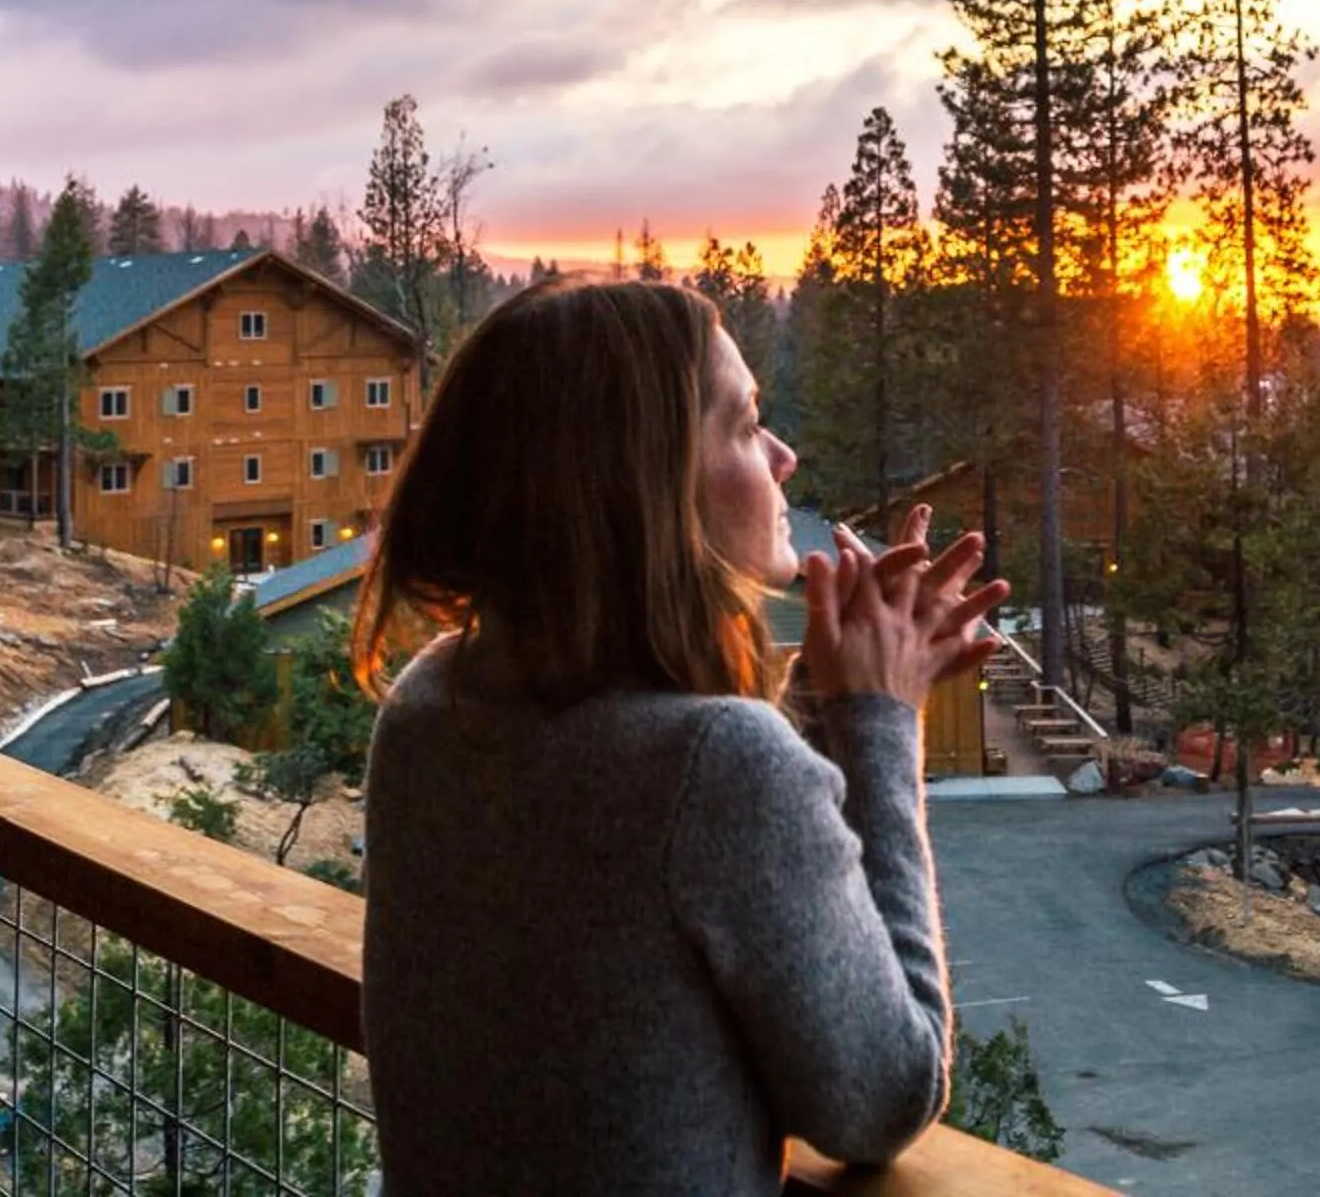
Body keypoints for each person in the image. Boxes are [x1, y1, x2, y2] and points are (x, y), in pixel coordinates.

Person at [352, 278, 1007, 1197]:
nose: (782, 455)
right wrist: (878, 720)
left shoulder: (431, 706)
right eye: (743, 425)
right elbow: (883, 1095)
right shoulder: (716, 769)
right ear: (642, 482)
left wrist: (824, 698)